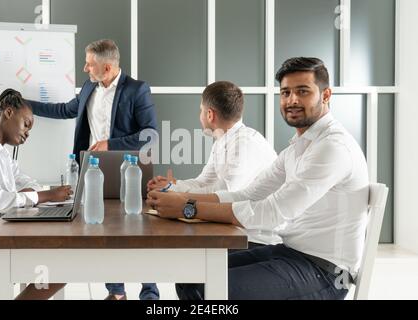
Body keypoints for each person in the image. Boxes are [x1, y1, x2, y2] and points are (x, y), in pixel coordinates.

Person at [147, 57, 370, 300]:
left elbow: (271, 212)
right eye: (285, 92)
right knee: (192, 277)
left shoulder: (332, 147)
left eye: (303, 91)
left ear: (326, 95)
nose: (292, 100)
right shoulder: (298, 148)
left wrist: (188, 207)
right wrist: (180, 197)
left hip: (323, 271)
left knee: (208, 288)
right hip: (290, 252)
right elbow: (248, 194)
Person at [26, 39, 158, 300]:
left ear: (107, 67)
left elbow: (150, 134)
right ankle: (116, 292)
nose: (85, 68)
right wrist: (25, 104)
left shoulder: (137, 90)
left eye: (89, 64)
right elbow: (65, 110)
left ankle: (150, 294)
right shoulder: (89, 87)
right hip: (94, 169)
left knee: (140, 230)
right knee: (105, 226)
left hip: (129, 168)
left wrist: (111, 143)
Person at [0, 89, 71, 299]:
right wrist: (47, 196)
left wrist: (30, 194)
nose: (27, 133)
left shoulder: (3, 154)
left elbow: (29, 183)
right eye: (26, 124)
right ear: (8, 113)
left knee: (61, 258)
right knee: (59, 263)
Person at [147, 81, 278, 245]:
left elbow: (225, 193)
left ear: (210, 114)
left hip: (256, 238)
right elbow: (203, 182)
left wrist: (176, 197)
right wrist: (170, 187)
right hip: (234, 229)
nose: (200, 115)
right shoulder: (222, 141)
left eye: (201, 110)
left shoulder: (244, 143)